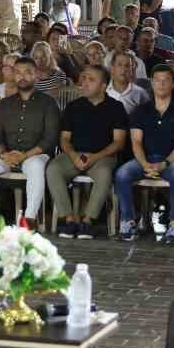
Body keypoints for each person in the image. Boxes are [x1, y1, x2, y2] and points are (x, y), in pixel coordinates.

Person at [0, 56, 60, 227]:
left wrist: (25, 155)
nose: (22, 76)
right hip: (8, 155)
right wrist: (4, 154)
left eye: (28, 72)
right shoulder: (5, 104)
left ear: (37, 75)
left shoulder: (48, 103)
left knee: (35, 165)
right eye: (18, 72)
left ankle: (30, 219)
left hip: (35, 155)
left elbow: (50, 139)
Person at [114, 61, 174, 244]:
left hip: (170, 161)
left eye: (166, 80)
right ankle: (128, 221)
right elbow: (135, 141)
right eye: (157, 80)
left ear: (173, 83)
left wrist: (164, 163)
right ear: (152, 83)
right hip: (144, 160)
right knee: (122, 173)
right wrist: (144, 164)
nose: (162, 84)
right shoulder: (141, 110)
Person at [47, 65, 128, 239]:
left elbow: (119, 142)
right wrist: (74, 156)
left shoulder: (116, 107)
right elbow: (65, 139)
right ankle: (68, 219)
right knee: (53, 168)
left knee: (105, 173)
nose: (84, 83)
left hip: (102, 156)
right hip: (74, 155)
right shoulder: (73, 106)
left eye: (91, 80)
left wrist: (95, 157)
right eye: (84, 78)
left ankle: (88, 221)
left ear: (103, 85)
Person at [107, 51, 151, 115]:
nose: (124, 69)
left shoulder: (140, 93)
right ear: (112, 68)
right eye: (119, 65)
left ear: (131, 69)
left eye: (127, 66)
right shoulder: (102, 91)